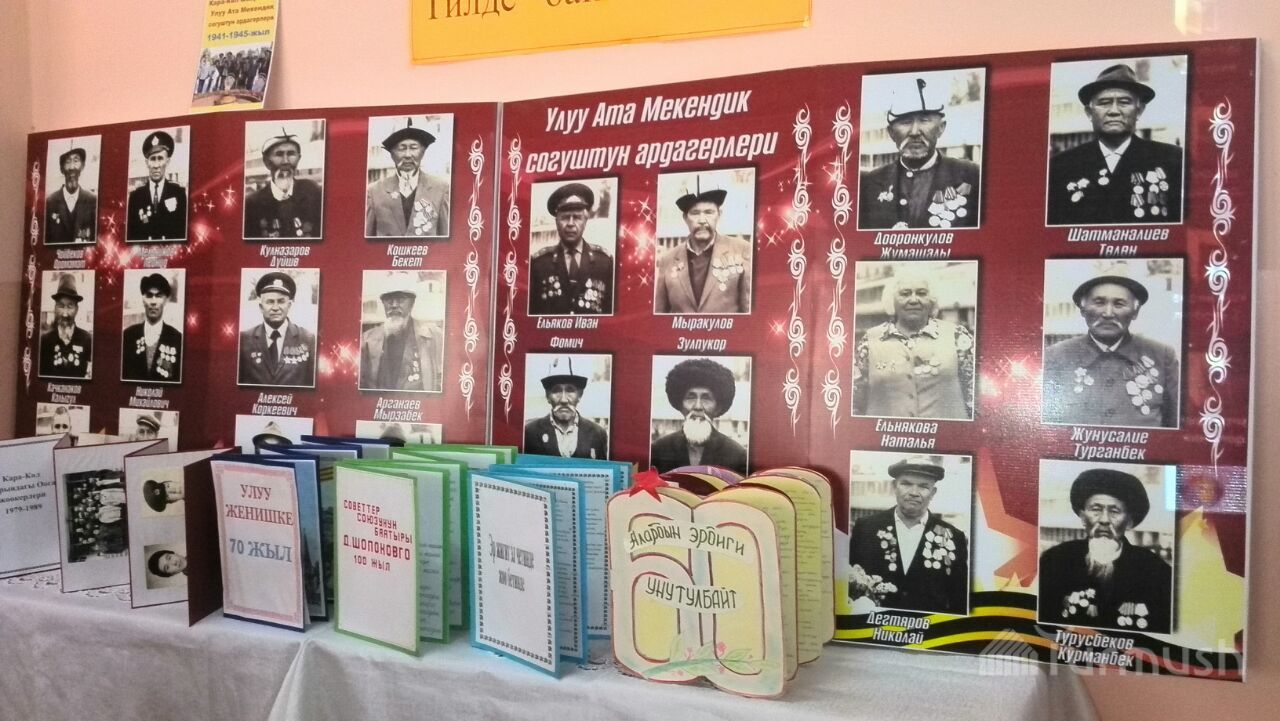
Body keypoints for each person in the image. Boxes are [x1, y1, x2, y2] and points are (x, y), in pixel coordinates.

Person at [1047, 64, 1183, 225]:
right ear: (1089, 113)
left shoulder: (1173, 160)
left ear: (1139, 111)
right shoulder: (1061, 166)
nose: (1114, 111)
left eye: (1124, 102)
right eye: (1104, 103)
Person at [1039, 468, 1172, 633]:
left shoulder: (1155, 570)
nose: (1104, 520)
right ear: (1082, 517)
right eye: (1096, 509)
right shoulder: (1054, 560)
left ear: (1129, 521)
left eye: (1114, 511)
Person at [1043, 274, 1178, 427]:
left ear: (1135, 312)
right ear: (1083, 310)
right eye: (1099, 303)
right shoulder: (1055, 356)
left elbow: (1174, 425)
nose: (1108, 313)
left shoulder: (1162, 355)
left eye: (1119, 304)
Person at [847, 457, 969, 614]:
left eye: (923, 486)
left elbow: (959, 600)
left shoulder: (953, 537)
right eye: (906, 484)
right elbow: (849, 585)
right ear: (894, 486)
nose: (914, 493)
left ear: (933, 492)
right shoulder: (866, 528)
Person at [858, 77, 981, 230]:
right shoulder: (868, 184)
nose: (915, 132)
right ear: (891, 133)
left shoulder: (972, 175)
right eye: (905, 122)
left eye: (924, 120)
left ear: (941, 128)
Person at [852, 270, 975, 419]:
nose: (914, 300)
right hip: (887, 433)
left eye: (922, 293)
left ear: (932, 300)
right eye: (905, 294)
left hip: (946, 433)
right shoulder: (869, 340)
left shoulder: (958, 337)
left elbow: (974, 395)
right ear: (892, 300)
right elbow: (855, 401)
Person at [654, 181, 752, 314]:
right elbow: (659, 316)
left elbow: (749, 312)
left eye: (709, 212)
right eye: (695, 213)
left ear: (719, 214)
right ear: (685, 218)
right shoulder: (667, 260)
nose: (702, 220)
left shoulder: (742, 250)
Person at [528, 183, 614, 314]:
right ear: (557, 222)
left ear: (585, 221)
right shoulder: (539, 264)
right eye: (565, 218)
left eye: (577, 217)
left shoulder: (604, 263)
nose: (570, 224)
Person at [650, 358, 747, 474]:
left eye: (706, 398)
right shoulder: (658, 450)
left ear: (718, 407)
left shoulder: (737, 454)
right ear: (680, 404)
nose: (698, 406)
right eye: (691, 397)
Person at [365, 118, 450, 237]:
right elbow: (368, 240)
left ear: (423, 152)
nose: (408, 155)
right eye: (402, 148)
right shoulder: (374, 192)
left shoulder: (441, 189)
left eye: (414, 148)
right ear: (392, 154)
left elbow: (445, 239)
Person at [359, 279, 444, 392]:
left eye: (401, 299)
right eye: (389, 299)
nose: (394, 305)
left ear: (412, 303)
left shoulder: (434, 336)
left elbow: (442, 381)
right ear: (383, 303)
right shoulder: (366, 340)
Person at [238, 271, 317, 387]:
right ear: (261, 307)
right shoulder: (244, 339)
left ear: (289, 305)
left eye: (281, 301)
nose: (275, 308)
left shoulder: (308, 339)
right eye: (270, 302)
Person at [244, 128, 323, 239]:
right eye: (279, 154)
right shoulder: (252, 204)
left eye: (291, 154)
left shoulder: (314, 193)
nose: (286, 161)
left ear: (298, 159)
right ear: (266, 162)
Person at [523, 357, 609, 459]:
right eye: (556, 390)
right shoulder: (530, 432)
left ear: (579, 395)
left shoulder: (598, 434)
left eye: (570, 390)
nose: (564, 400)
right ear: (548, 396)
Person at [126, 130, 187, 241]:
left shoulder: (179, 193)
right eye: (153, 159)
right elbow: (131, 236)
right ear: (147, 163)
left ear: (167, 162)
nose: (156, 165)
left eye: (160, 158)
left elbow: (183, 232)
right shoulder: (135, 197)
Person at [121, 273, 183, 383]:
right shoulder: (128, 336)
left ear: (166, 300)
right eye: (149, 295)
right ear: (143, 299)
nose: (153, 302)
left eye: (159, 296)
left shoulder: (177, 339)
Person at [39, 273, 92, 379]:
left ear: (77, 309)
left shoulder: (87, 340)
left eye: (70, 306)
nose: (65, 313)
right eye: (61, 306)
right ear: (55, 308)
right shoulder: (45, 341)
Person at [45, 145, 97, 244]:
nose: (72, 167)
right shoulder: (50, 202)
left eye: (76, 161)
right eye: (68, 162)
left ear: (82, 166)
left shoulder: (92, 201)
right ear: (62, 169)